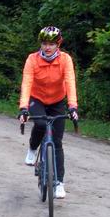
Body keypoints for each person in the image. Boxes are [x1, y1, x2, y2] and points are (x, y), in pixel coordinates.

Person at [18, 26, 79, 199]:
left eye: (51, 44)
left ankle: (59, 182)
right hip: (36, 98)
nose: (47, 47)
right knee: (40, 123)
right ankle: (32, 148)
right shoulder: (32, 59)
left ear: (58, 44)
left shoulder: (65, 60)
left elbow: (70, 82)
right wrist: (23, 108)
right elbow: (27, 83)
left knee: (57, 143)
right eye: (44, 43)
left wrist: (72, 106)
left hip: (57, 101)